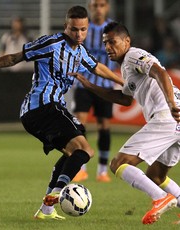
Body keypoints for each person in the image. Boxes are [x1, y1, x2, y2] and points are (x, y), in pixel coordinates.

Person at [0, 6, 123, 220]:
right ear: (65, 27)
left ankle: (46, 210)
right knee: (85, 150)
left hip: (45, 110)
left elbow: (97, 67)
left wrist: (123, 81)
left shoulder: (80, 51)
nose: (79, 35)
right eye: (74, 29)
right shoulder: (50, 44)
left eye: (83, 30)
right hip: (42, 106)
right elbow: (14, 58)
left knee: (73, 151)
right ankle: (58, 194)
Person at [70, 21, 180, 225]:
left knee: (119, 163)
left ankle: (160, 198)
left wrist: (171, 104)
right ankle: (167, 195)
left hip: (167, 116)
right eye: (105, 44)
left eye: (112, 42)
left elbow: (160, 72)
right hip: (175, 122)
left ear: (126, 41)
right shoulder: (127, 68)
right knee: (156, 175)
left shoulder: (133, 55)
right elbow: (124, 99)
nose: (108, 48)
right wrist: (90, 86)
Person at [73, 0, 117, 183]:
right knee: (79, 124)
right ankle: (81, 168)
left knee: (103, 126)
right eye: (94, 5)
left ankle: (102, 170)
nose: (98, 8)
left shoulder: (114, 29)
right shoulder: (83, 29)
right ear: (90, 7)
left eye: (101, 5)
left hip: (105, 86)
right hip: (83, 84)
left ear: (107, 7)